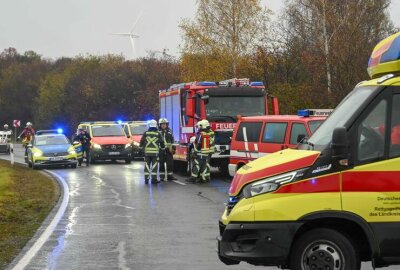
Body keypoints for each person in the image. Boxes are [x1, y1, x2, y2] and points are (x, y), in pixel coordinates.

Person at [140, 120, 165, 184]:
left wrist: (140, 148)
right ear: (156, 125)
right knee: (154, 166)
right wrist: (163, 148)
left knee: (147, 165)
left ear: (149, 126)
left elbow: (142, 141)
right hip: (155, 153)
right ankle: (153, 179)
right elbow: (162, 142)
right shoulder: (158, 133)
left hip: (147, 153)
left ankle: (146, 179)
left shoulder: (146, 133)